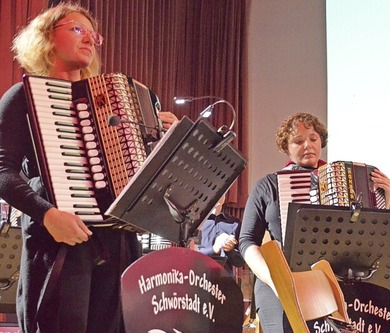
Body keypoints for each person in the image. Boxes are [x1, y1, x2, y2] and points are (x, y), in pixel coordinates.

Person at [0, 3, 177, 332]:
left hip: (120, 242)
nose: (90, 39)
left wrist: (168, 144)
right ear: (46, 37)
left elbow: (150, 182)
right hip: (59, 239)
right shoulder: (21, 97)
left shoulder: (116, 104)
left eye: (93, 34)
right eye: (77, 29)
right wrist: (47, 214)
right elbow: (2, 171)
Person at [238, 112, 390, 332]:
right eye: (298, 141)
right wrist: (275, 281)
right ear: (286, 147)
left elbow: (367, 236)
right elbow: (246, 241)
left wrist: (384, 196)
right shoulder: (268, 185)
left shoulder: (342, 181)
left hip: (328, 283)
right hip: (279, 283)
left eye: (313, 138)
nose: (307, 145)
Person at [194, 195, 244, 275]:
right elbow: (189, 254)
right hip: (198, 279)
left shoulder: (235, 224)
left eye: (223, 193)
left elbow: (240, 262)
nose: (219, 196)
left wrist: (230, 250)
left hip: (224, 282)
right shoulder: (195, 222)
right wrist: (214, 249)